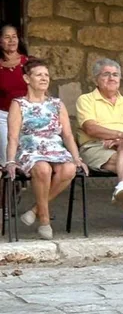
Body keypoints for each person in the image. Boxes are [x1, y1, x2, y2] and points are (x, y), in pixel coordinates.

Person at [5, 58, 87, 240]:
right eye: (39, 75)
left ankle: (35, 210)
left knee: (70, 168)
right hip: (30, 148)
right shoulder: (18, 104)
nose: (44, 78)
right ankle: (44, 219)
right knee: (43, 169)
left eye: (46, 75)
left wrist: (76, 157)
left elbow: (67, 135)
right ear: (27, 79)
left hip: (54, 147)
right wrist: (10, 161)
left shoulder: (57, 104)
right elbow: (13, 136)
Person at [75, 58, 123, 239]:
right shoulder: (86, 100)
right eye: (106, 74)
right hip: (95, 147)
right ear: (96, 79)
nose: (112, 78)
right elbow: (90, 128)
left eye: (115, 74)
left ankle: (122, 188)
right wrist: (119, 135)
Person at [0, 24, 28, 121]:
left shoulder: (29, 62)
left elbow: (42, 89)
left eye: (14, 36)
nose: (11, 40)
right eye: (7, 37)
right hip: (4, 116)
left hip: (29, 114)